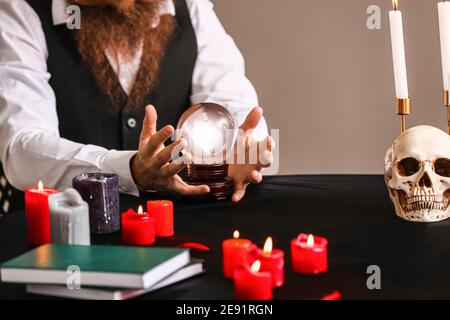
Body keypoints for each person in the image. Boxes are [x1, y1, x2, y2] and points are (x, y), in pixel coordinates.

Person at [0, 0, 273, 202]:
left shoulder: (189, 8)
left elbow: (233, 103)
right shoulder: (21, 10)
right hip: (61, 234)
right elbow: (22, 150)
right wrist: (129, 170)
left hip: (175, 229)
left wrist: (243, 144)